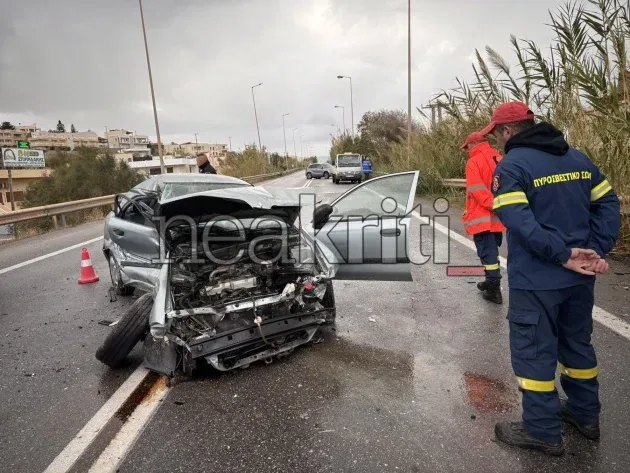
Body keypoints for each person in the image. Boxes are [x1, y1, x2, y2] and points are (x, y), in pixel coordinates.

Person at [481, 102, 620, 455]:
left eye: (496, 134)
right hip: (579, 280)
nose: (496, 142)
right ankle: (585, 416)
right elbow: (607, 204)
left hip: (538, 281)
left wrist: (563, 255)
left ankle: (542, 431)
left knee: (534, 353)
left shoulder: (512, 166)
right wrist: (593, 249)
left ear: (508, 131)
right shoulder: (577, 158)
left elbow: (520, 223)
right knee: (576, 344)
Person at [461, 131, 506, 304]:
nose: (467, 150)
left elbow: (477, 190)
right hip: (498, 218)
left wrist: (493, 205)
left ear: (473, 145)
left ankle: (494, 290)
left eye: (467, 147)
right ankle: (489, 283)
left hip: (483, 217)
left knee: (488, 255)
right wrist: (501, 207)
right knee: (492, 252)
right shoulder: (500, 158)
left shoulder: (474, 162)